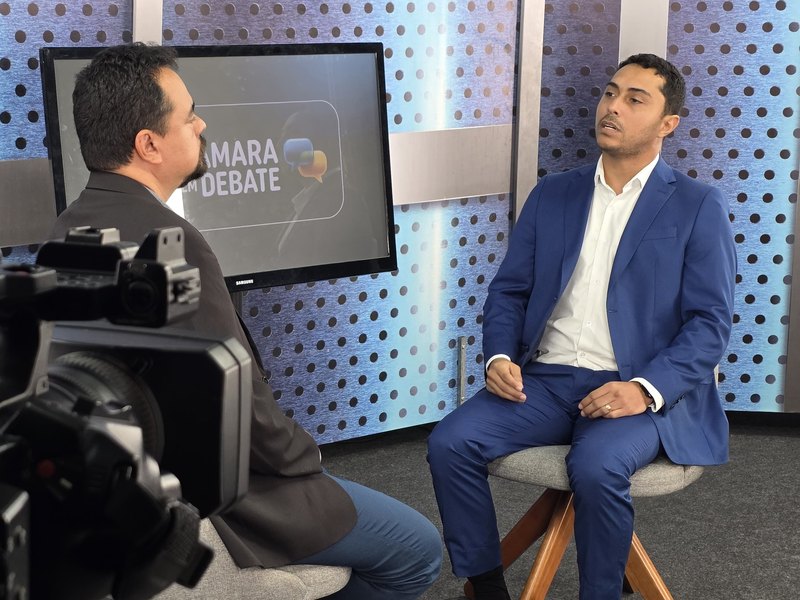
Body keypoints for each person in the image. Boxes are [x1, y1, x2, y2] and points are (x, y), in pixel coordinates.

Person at [49, 43, 442, 599]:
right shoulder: (174, 244)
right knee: (417, 551)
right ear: (149, 144)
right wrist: (307, 457)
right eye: (189, 115)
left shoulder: (68, 228)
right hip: (227, 497)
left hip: (138, 481)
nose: (202, 124)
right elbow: (236, 405)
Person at [427, 54, 737, 600]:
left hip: (633, 388)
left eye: (635, 99)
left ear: (668, 123)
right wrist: (498, 357)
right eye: (610, 93)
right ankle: (486, 584)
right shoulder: (554, 193)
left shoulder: (696, 205)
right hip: (545, 383)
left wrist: (644, 389)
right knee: (450, 442)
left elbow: (709, 324)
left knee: (595, 467)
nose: (613, 107)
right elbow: (509, 291)